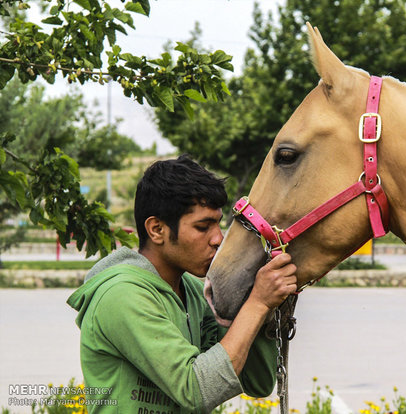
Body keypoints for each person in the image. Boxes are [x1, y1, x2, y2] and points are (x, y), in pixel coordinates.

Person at [67, 155, 297, 413]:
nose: (217, 239)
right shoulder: (121, 295)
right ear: (156, 230)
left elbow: (256, 381)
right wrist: (257, 303)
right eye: (202, 227)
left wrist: (267, 303)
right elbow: (196, 390)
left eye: (218, 224)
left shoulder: (194, 291)